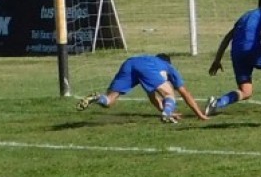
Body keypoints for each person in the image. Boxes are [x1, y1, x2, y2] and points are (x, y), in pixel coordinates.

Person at [76, 53, 209, 124]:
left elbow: (152, 96)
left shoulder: (149, 59)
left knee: (109, 101)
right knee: (169, 94)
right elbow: (185, 93)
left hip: (129, 63)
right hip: (143, 68)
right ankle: (167, 115)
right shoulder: (167, 66)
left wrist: (163, 110)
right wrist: (200, 114)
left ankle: (97, 97)